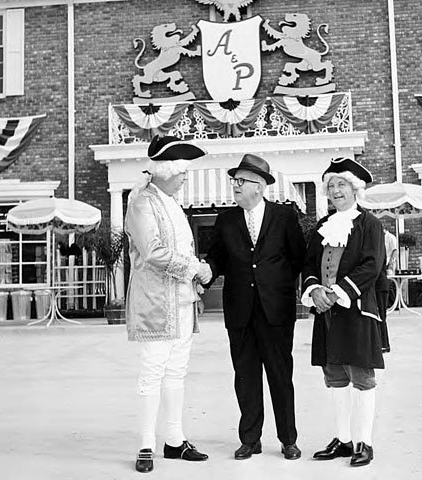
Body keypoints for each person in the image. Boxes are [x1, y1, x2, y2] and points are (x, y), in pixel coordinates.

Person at [204, 153, 306, 461]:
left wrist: (279, 287)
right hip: (240, 311)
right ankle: (250, 439)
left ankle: (288, 439)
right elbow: (217, 258)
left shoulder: (283, 216)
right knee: (245, 376)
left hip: (276, 311)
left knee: (279, 374)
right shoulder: (226, 219)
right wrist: (204, 276)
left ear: (259, 186)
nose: (234, 186)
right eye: (234, 181)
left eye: (241, 181)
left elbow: (298, 257)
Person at [124, 135, 211, 474]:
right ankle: (146, 443)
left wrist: (194, 290)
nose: (185, 178)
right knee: (152, 373)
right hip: (156, 303)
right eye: (182, 173)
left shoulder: (171, 202)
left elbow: (182, 249)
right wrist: (196, 270)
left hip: (182, 301)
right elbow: (153, 252)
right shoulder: (142, 203)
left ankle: (174, 440)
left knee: (176, 373)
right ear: (166, 171)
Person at [301, 157, 386, 467]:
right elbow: (309, 264)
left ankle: (365, 441)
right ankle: (343, 439)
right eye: (331, 185)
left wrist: (337, 293)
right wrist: (315, 290)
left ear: (355, 188)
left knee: (362, 376)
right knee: (334, 375)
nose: (335, 190)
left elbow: (371, 266)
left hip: (356, 310)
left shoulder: (370, 224)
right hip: (326, 312)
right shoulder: (323, 226)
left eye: (341, 184)